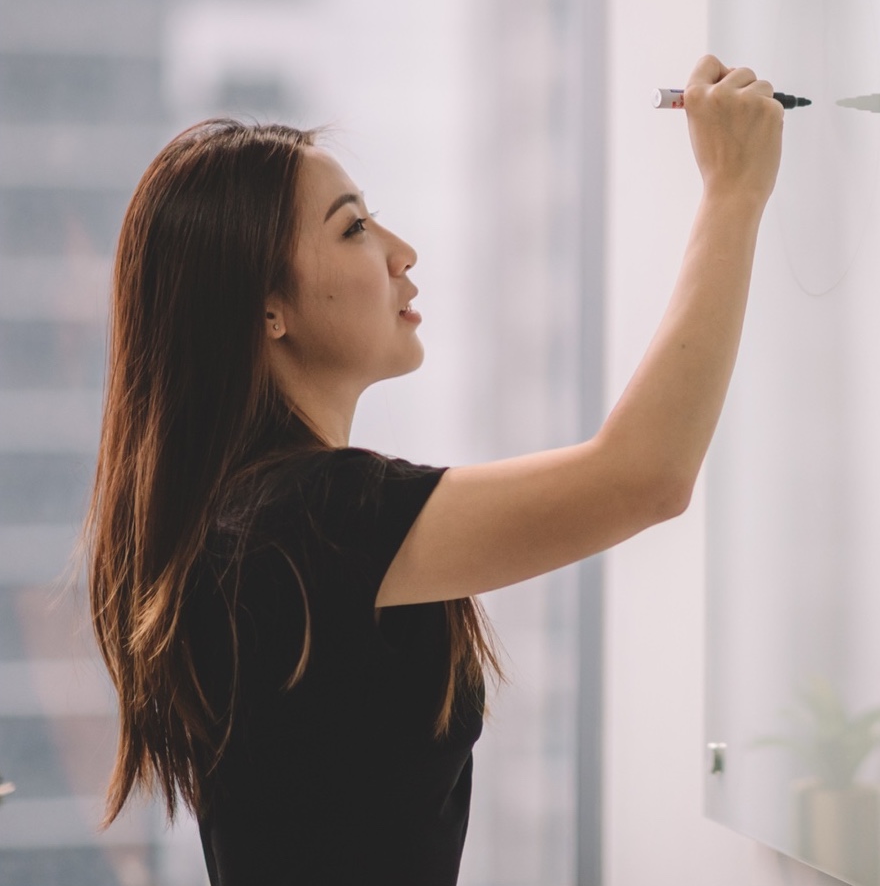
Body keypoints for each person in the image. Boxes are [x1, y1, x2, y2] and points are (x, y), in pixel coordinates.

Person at [83, 54, 784, 885]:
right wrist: (733, 194)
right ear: (265, 308)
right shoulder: (309, 518)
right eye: (352, 229)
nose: (402, 252)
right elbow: (644, 475)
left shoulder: (256, 520)